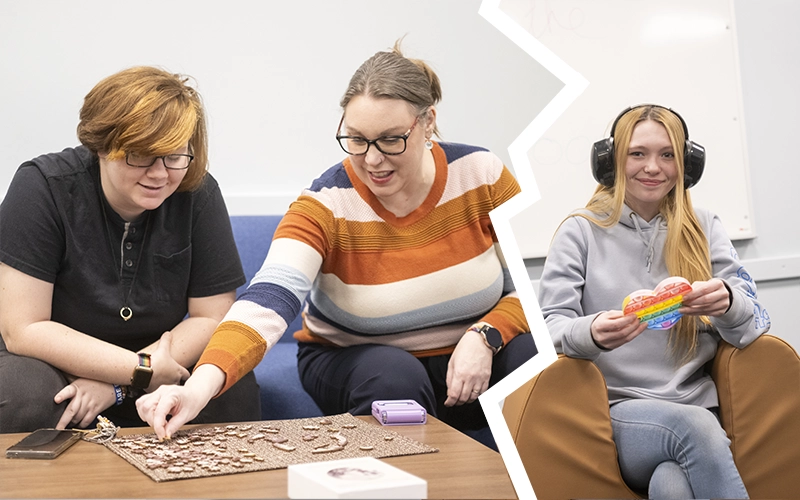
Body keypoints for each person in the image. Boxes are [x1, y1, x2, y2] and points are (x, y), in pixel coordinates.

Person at [135, 43, 537, 442]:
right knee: (395, 375)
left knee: (535, 355)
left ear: (428, 121)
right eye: (356, 140)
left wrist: (486, 334)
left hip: (473, 356)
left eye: (390, 139)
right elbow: (269, 298)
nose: (373, 160)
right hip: (355, 359)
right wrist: (196, 388)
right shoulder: (326, 204)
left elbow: (530, 288)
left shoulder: (481, 174)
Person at [0, 66, 261, 433]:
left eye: (174, 156)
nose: (159, 174)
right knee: (26, 393)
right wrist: (140, 371)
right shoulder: (42, 187)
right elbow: (23, 329)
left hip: (158, 358)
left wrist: (119, 386)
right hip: (50, 361)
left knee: (230, 385)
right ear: (102, 145)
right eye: (140, 155)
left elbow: (212, 317)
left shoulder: (197, 193)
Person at [538, 104, 770, 498]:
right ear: (611, 161)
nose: (652, 167)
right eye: (638, 153)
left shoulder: (705, 227)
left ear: (686, 164)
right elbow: (549, 327)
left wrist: (729, 302)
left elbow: (755, 324)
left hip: (698, 407)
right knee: (694, 428)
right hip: (622, 413)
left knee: (671, 484)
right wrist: (591, 332)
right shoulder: (580, 231)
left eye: (667, 155)